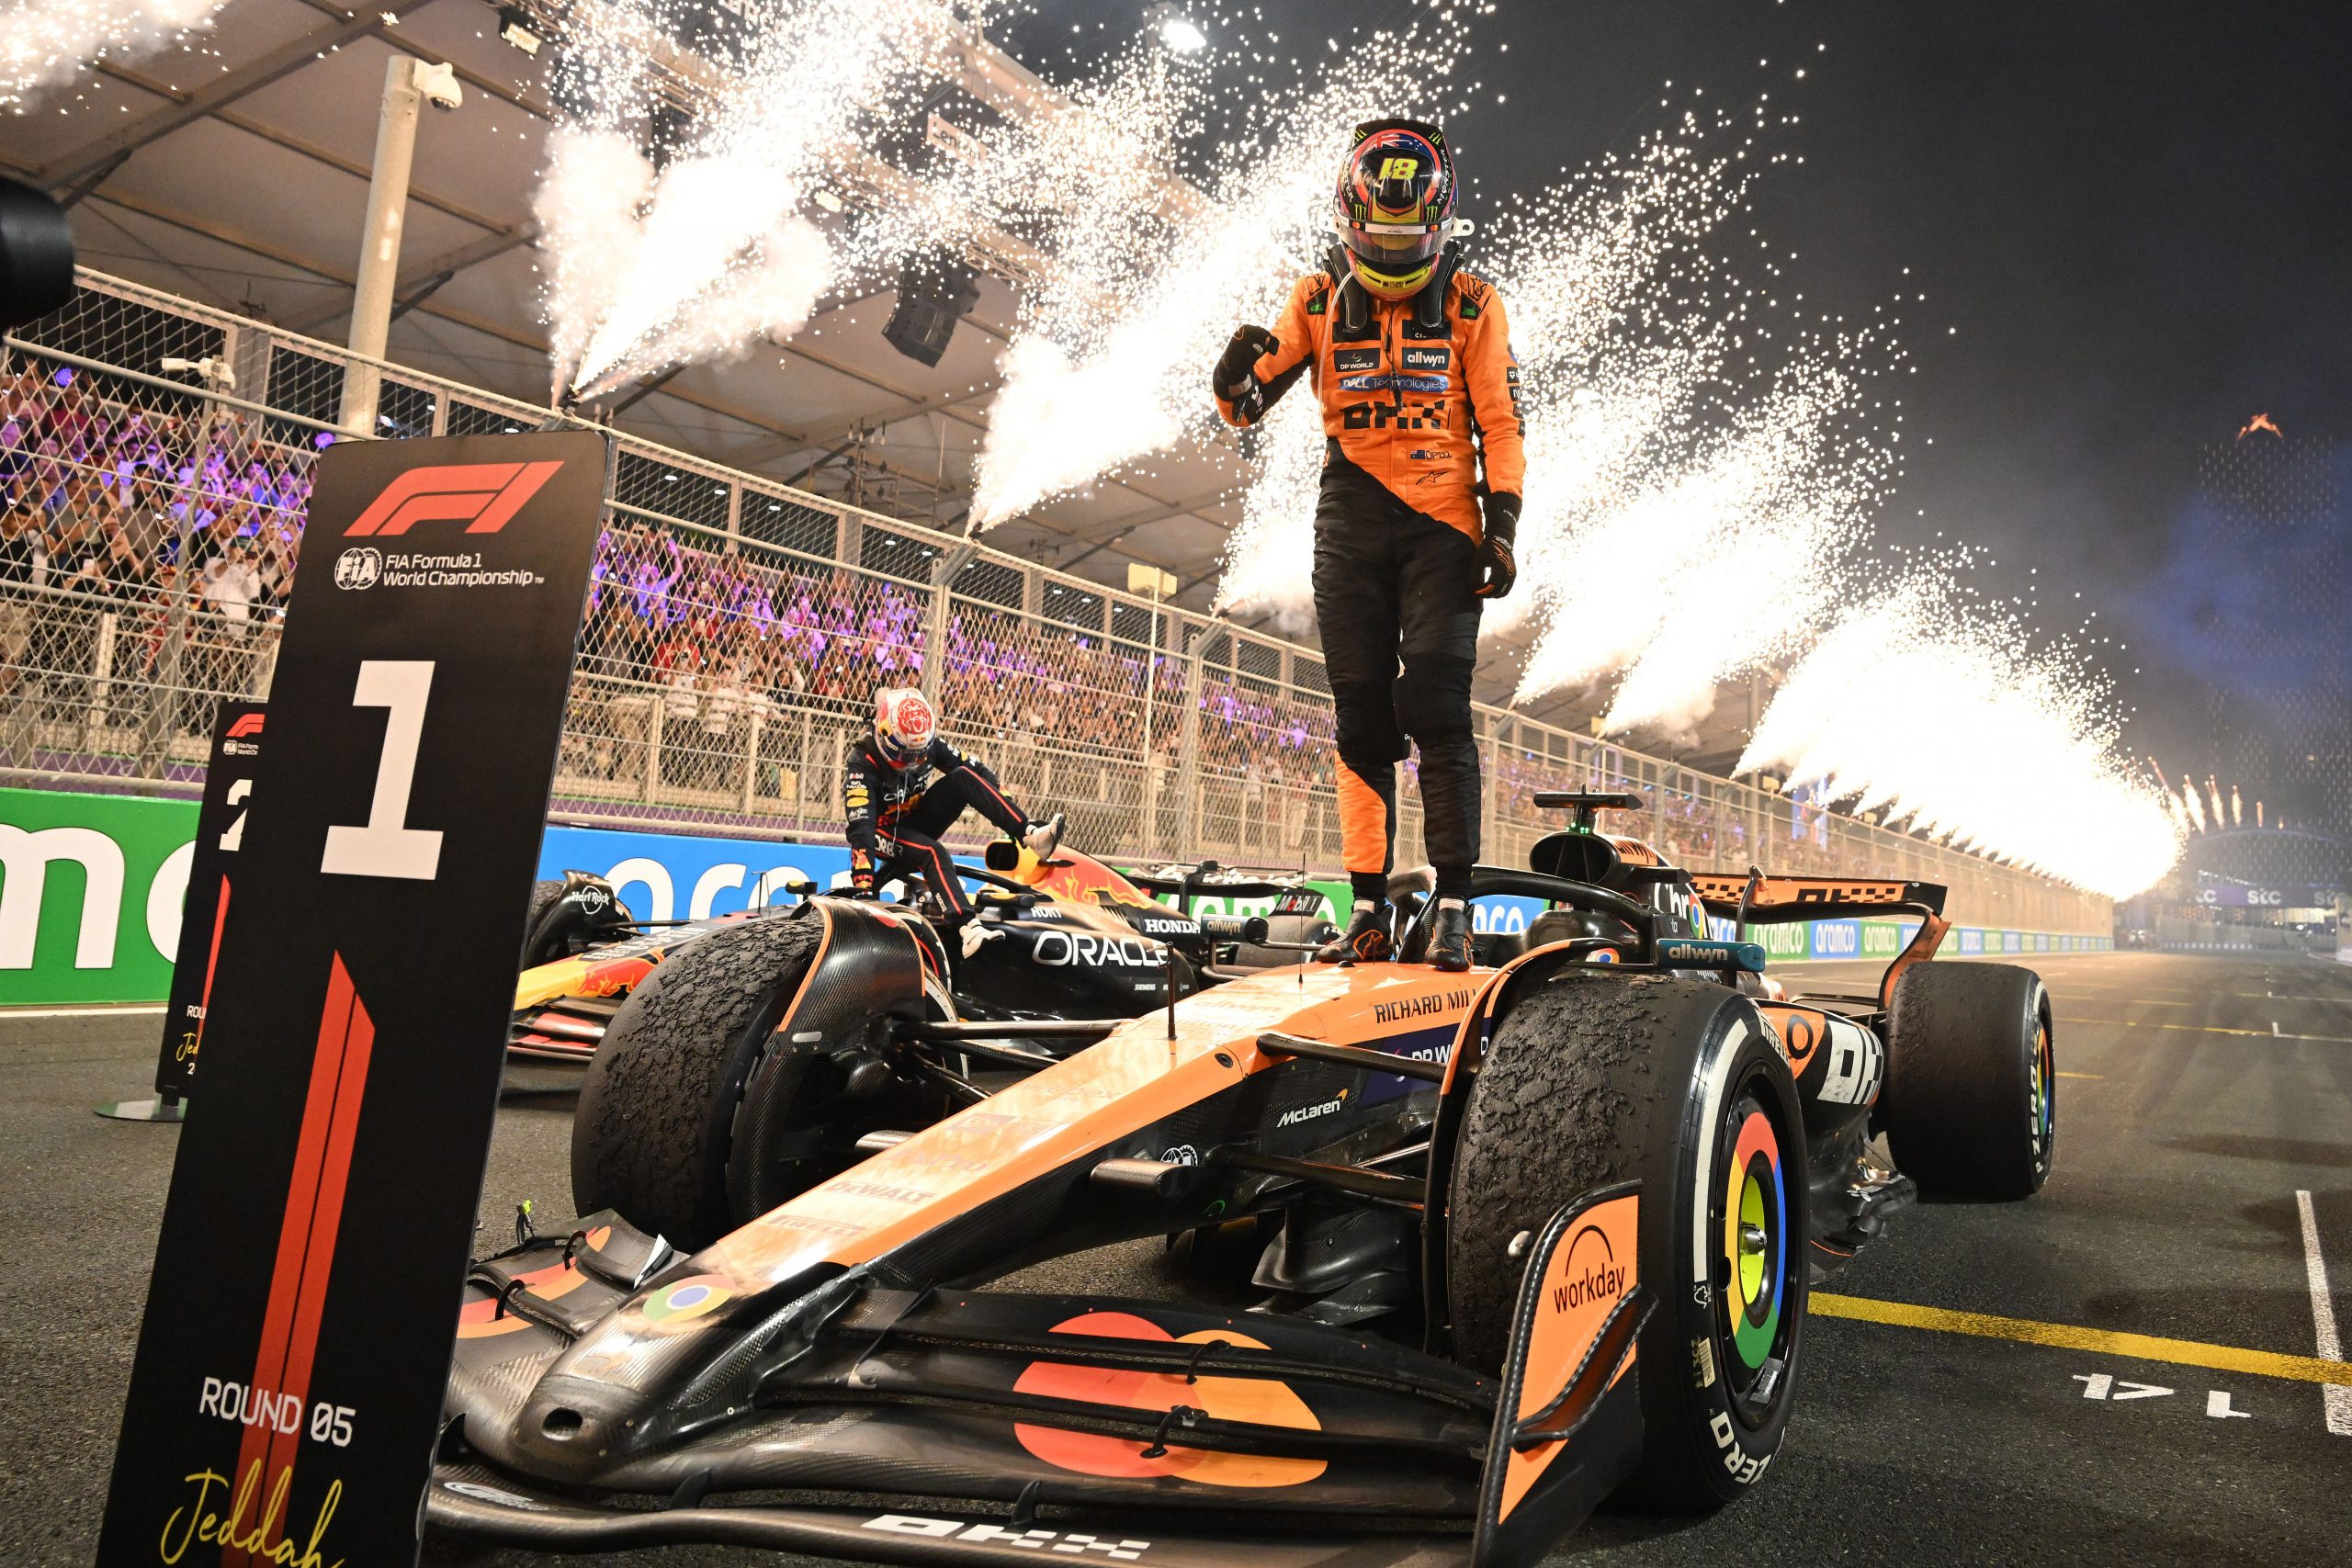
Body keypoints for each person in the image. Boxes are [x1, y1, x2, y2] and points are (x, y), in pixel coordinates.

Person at [1213, 118, 1524, 972]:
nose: (1389, 251)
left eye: (1405, 234)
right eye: (1376, 233)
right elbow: (1248, 406)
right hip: (1349, 517)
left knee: (1434, 702)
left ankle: (1455, 901)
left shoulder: (1474, 303)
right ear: (1351, 216)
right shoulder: (1315, 298)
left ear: (1437, 221)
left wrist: (1503, 526)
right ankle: (1366, 907)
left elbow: (1500, 421)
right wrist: (1228, 379)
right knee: (1360, 715)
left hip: (1445, 523)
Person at [842, 686, 1063, 917]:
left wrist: (1004, 802)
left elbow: (978, 770)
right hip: (879, 832)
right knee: (933, 851)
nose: (912, 762)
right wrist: (864, 886)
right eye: (905, 754)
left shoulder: (929, 746)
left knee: (963, 776)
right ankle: (966, 926)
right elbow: (861, 826)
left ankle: (1030, 833)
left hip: (913, 824)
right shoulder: (863, 761)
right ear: (883, 734)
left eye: (918, 755)